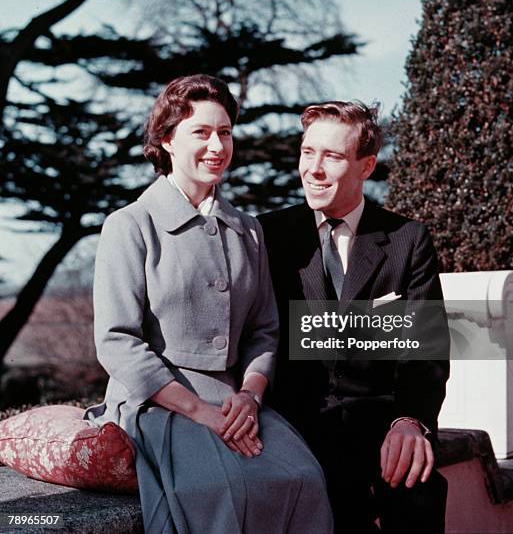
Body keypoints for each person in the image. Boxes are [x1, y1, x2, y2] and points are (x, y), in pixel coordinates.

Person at [84, 75, 333, 534]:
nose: (217, 145)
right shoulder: (129, 225)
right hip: (157, 404)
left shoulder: (248, 230)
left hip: (235, 402)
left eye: (225, 132)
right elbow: (116, 342)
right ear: (166, 140)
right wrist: (199, 412)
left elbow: (264, 330)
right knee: (215, 490)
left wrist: (251, 396)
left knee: (303, 478)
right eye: (201, 132)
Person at [258, 101, 450, 533]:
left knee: (418, 492)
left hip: (381, 429)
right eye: (308, 152)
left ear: (366, 167)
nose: (314, 169)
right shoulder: (266, 235)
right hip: (294, 431)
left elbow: (427, 353)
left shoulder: (407, 239)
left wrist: (410, 421)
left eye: (332, 156)